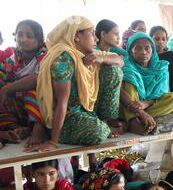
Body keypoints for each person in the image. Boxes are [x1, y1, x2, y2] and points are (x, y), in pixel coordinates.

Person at [29, 16, 124, 152]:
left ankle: (104, 123)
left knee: (113, 69)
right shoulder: (63, 59)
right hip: (68, 118)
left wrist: (102, 58)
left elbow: (120, 61)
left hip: (89, 112)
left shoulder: (86, 53)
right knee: (97, 132)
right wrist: (53, 142)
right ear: (76, 36)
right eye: (92, 33)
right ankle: (57, 133)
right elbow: (62, 102)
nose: (96, 39)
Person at [119, 32, 173, 135]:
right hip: (130, 104)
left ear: (152, 51)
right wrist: (140, 111)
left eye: (147, 48)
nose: (143, 52)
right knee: (130, 81)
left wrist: (145, 104)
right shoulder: (126, 67)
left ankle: (131, 121)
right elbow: (121, 93)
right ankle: (133, 121)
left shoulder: (161, 68)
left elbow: (162, 94)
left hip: (153, 104)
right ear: (131, 52)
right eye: (138, 48)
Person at [0, 20, 47, 146]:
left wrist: (6, 89)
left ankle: (38, 130)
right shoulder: (12, 59)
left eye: (29, 36)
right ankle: (17, 129)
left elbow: (37, 80)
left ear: (39, 39)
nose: (23, 39)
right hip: (21, 109)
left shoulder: (46, 57)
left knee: (30, 92)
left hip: (43, 107)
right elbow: (4, 78)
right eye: (19, 35)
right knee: (3, 100)